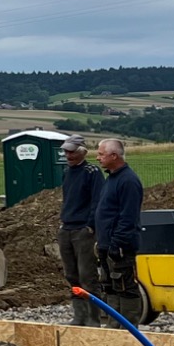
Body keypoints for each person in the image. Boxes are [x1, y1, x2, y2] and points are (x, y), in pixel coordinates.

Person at [94, 137, 145, 320]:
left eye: (101, 154)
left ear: (114, 156)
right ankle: (113, 327)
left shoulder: (128, 181)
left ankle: (128, 328)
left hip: (120, 248)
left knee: (124, 286)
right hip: (106, 245)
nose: (97, 158)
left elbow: (128, 217)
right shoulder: (111, 179)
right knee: (110, 286)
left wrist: (117, 245)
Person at [57, 136, 102, 325]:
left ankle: (93, 318)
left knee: (87, 276)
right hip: (67, 229)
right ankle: (79, 316)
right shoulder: (67, 172)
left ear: (82, 152)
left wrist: (90, 226)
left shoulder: (92, 172)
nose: (68, 155)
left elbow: (97, 201)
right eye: (66, 152)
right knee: (72, 275)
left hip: (83, 231)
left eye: (72, 152)